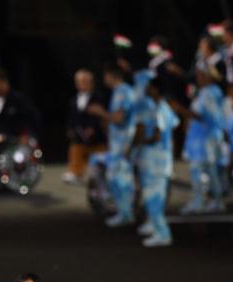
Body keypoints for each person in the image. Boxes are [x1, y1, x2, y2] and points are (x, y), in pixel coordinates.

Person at [130, 73, 179, 247]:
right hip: (159, 160)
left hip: (156, 161)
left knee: (153, 197)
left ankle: (163, 233)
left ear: (156, 89)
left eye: (149, 87)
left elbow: (157, 136)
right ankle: (155, 226)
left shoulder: (160, 109)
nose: (146, 90)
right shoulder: (161, 108)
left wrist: (140, 143)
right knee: (154, 196)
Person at [94, 63, 136, 227]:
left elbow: (119, 118)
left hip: (123, 145)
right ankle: (124, 212)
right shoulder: (119, 91)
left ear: (112, 75)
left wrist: (101, 113)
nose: (104, 79)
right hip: (118, 144)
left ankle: (125, 214)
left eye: (105, 75)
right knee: (116, 177)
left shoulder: (124, 92)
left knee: (119, 178)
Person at [181, 65, 225, 214]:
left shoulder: (209, 93)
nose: (198, 78)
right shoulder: (210, 92)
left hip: (205, 138)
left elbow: (203, 115)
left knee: (199, 170)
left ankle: (199, 201)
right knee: (211, 171)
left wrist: (180, 110)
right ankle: (215, 201)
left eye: (201, 75)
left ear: (209, 77)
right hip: (206, 137)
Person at [63, 69, 106, 184]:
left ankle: (98, 173)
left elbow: (100, 116)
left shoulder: (98, 97)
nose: (82, 84)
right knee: (75, 148)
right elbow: (71, 117)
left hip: (97, 137)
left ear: (91, 83)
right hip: (79, 135)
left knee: (99, 155)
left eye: (85, 82)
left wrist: (92, 128)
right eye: (80, 82)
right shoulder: (73, 99)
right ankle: (75, 172)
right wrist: (70, 129)